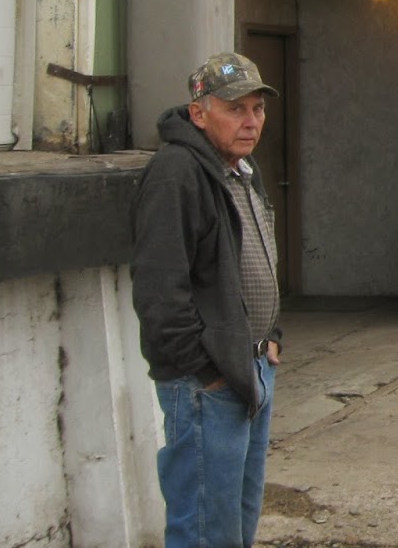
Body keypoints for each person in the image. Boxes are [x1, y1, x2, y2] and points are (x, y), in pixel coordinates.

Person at [131, 51, 283, 548]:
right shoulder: (177, 172)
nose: (251, 121)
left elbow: (257, 258)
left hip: (253, 368)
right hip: (209, 383)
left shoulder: (241, 168)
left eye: (258, 109)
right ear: (199, 113)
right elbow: (159, 287)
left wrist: (271, 338)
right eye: (236, 109)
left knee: (235, 520)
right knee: (203, 527)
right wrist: (204, 368)